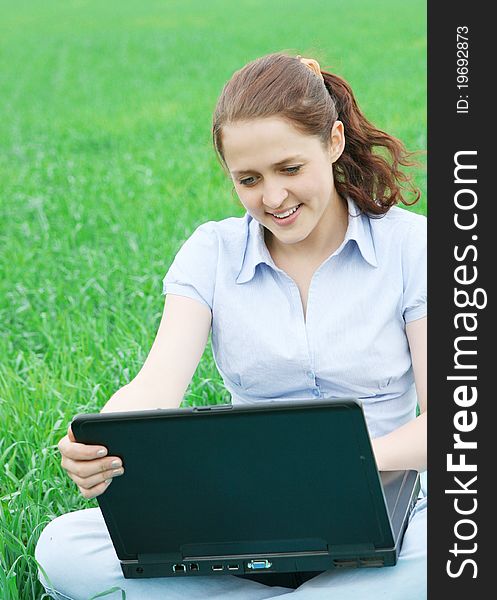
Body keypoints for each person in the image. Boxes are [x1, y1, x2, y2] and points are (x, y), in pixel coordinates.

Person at [35, 51, 427, 600]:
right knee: (63, 552)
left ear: (333, 142)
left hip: (392, 503)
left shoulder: (413, 247)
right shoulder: (212, 254)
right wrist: (99, 437)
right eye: (248, 179)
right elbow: (155, 385)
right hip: (247, 511)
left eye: (290, 169)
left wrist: (344, 461)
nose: (273, 198)